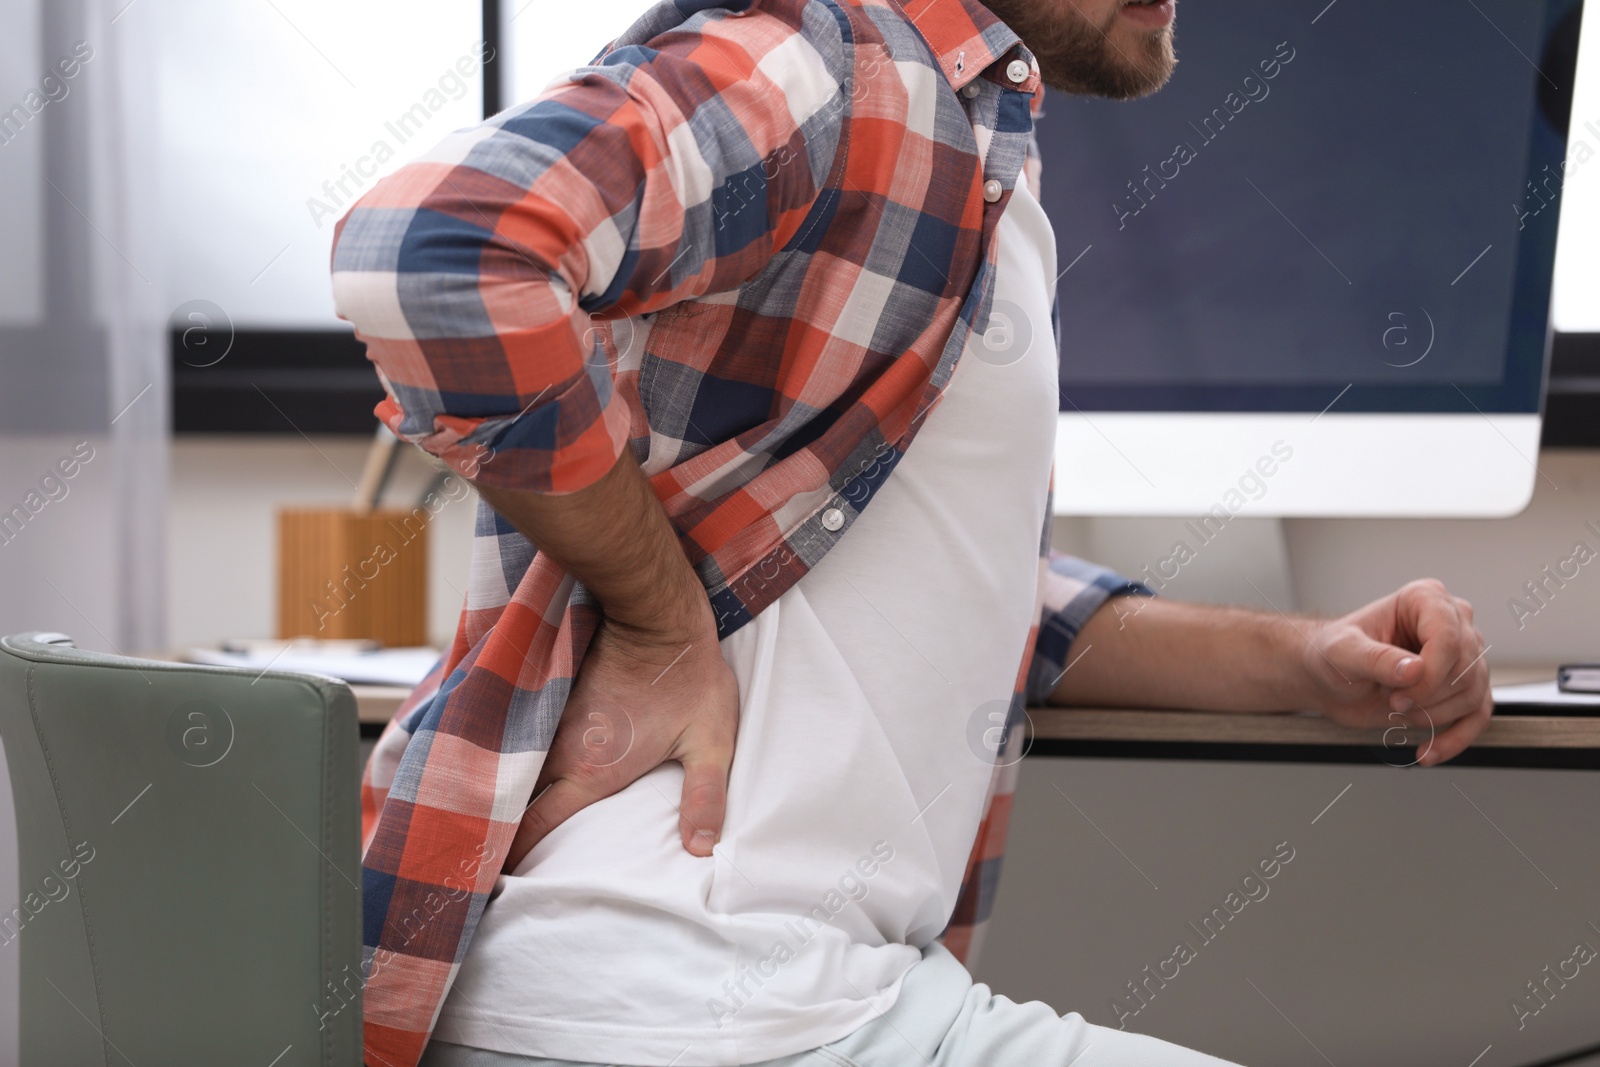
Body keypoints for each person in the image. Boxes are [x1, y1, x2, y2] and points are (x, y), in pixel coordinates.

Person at [330, 1, 1493, 1064]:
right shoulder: (840, 65)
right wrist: (658, 611)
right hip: (683, 991)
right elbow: (438, 247)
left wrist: (1302, 658)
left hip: (761, 993)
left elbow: (948, 586)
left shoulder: (981, 174)